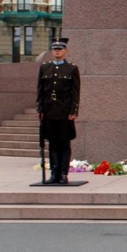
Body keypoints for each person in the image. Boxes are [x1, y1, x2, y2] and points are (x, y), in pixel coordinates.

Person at [36, 38, 81, 185]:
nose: (57, 51)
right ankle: (54, 173)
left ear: (65, 51)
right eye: (55, 49)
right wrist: (40, 109)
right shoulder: (45, 67)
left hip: (64, 111)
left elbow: (75, 92)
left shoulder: (71, 69)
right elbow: (40, 90)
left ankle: (63, 173)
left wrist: (73, 110)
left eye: (60, 49)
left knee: (64, 143)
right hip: (49, 110)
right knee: (53, 143)